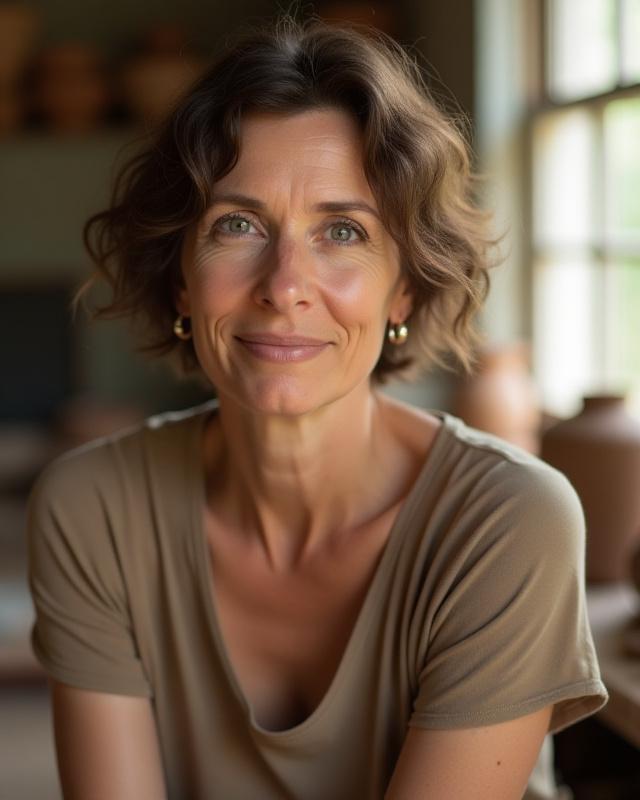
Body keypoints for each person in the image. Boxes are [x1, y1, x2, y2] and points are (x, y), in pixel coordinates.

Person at [27, 16, 607, 800]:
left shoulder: (508, 519)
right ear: (179, 279)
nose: (284, 282)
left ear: (404, 285)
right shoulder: (94, 509)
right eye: (237, 225)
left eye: (342, 230)